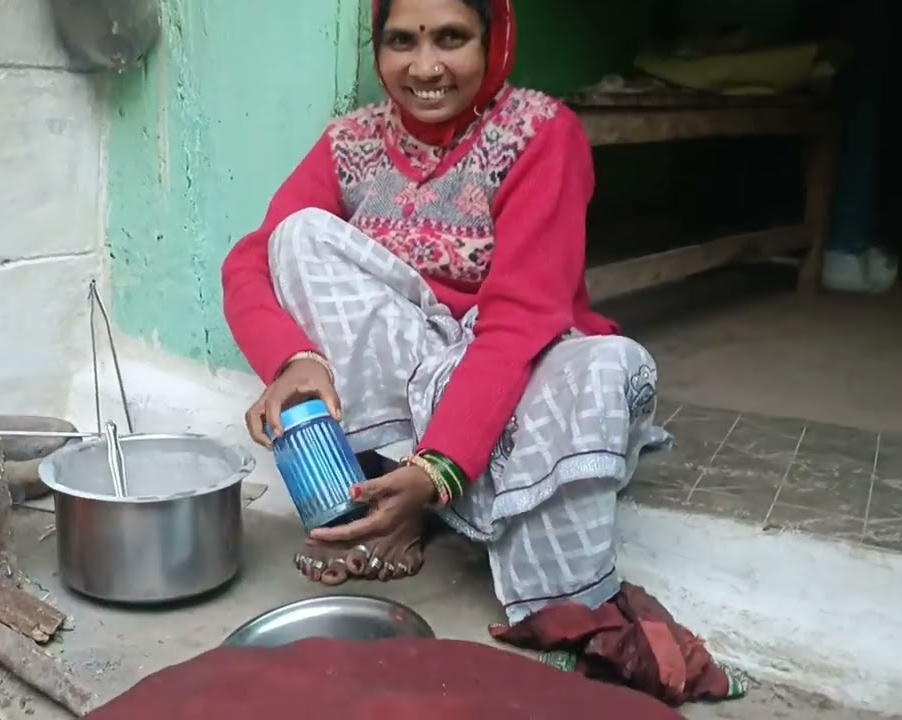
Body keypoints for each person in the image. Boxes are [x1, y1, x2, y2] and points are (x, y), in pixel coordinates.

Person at [220, 0, 670, 626]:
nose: (425, 67)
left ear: (495, 40)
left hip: (506, 364)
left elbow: (521, 319)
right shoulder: (350, 143)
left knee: (605, 367)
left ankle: (431, 507)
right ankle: (373, 497)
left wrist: (442, 465)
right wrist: (292, 361)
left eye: (451, 38)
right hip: (417, 365)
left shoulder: (541, 133)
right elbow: (250, 263)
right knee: (297, 236)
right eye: (402, 41)